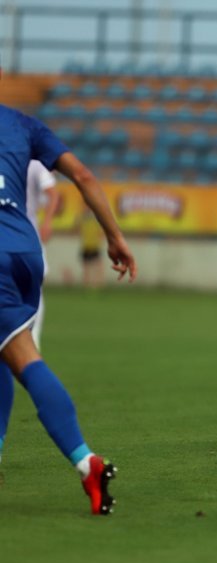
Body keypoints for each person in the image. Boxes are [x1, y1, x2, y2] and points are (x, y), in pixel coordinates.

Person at [0, 64, 137, 515]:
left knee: (21, 356)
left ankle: (86, 461)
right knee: (10, 349)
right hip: (25, 251)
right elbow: (85, 177)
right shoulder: (23, 124)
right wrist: (115, 237)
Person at [26, 160, 60, 348]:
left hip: (30, 235)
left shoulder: (34, 164)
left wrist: (47, 221)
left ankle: (34, 338)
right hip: (17, 235)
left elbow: (52, 193)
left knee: (35, 288)